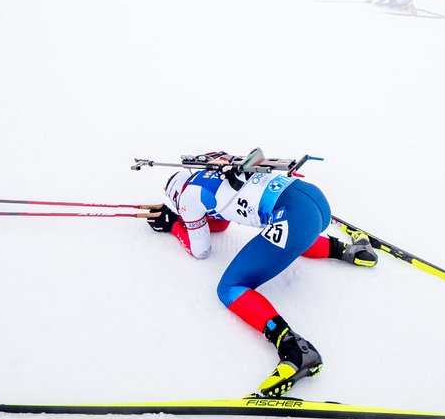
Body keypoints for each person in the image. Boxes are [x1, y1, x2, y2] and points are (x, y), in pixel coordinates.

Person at [147, 149, 377, 397]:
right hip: (311, 199)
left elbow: (200, 250)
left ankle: (295, 350)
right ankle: (351, 250)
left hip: (293, 216)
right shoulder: (209, 172)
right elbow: (222, 221)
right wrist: (187, 220)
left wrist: (174, 225)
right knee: (288, 236)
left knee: (230, 287)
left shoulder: (186, 198)